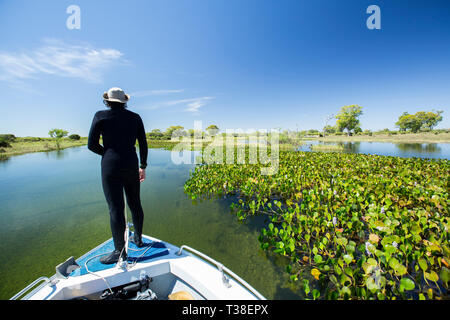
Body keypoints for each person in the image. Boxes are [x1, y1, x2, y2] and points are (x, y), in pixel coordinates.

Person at [88, 87, 148, 264]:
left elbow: (91, 145)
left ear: (107, 101)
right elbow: (143, 144)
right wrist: (143, 166)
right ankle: (138, 239)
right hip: (131, 163)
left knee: (115, 208)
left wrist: (108, 154)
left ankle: (119, 251)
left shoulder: (100, 115)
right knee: (135, 203)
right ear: (125, 101)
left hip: (110, 166)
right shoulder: (135, 117)